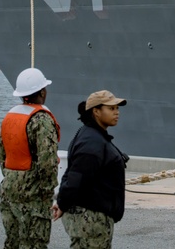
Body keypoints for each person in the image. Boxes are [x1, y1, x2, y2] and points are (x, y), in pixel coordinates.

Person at [53, 90, 128, 249]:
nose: (117, 113)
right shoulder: (91, 143)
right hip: (91, 220)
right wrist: (62, 203)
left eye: (117, 108)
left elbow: (72, 173)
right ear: (96, 111)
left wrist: (62, 202)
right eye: (111, 108)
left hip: (92, 218)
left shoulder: (92, 135)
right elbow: (76, 179)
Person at [0, 68, 60, 249]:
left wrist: (12, 177)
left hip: (9, 189)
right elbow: (48, 161)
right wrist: (47, 191)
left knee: (13, 242)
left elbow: (2, 154)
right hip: (34, 195)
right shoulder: (42, 119)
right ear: (42, 92)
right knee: (35, 244)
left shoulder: (10, 116)